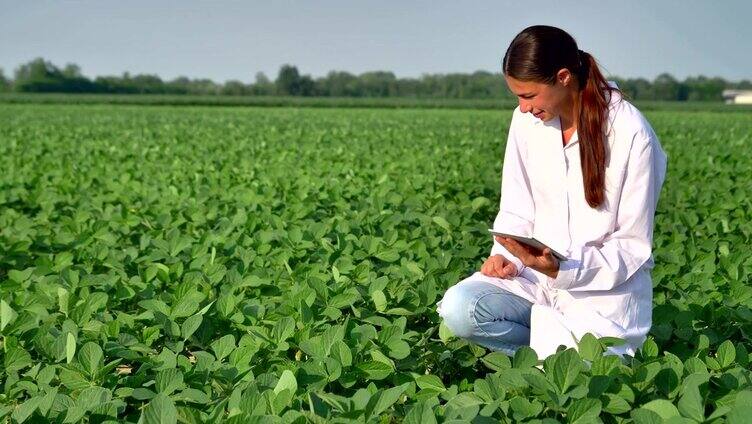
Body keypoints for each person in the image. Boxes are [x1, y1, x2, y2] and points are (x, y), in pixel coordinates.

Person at [436, 25, 667, 358]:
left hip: (601, 301)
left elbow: (632, 247)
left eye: (528, 96)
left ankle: (547, 361)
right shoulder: (525, 121)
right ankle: (547, 358)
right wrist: (504, 256)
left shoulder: (631, 134)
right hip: (532, 284)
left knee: (586, 371)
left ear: (563, 77)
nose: (524, 107)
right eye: (517, 96)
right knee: (460, 309)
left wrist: (562, 269)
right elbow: (516, 209)